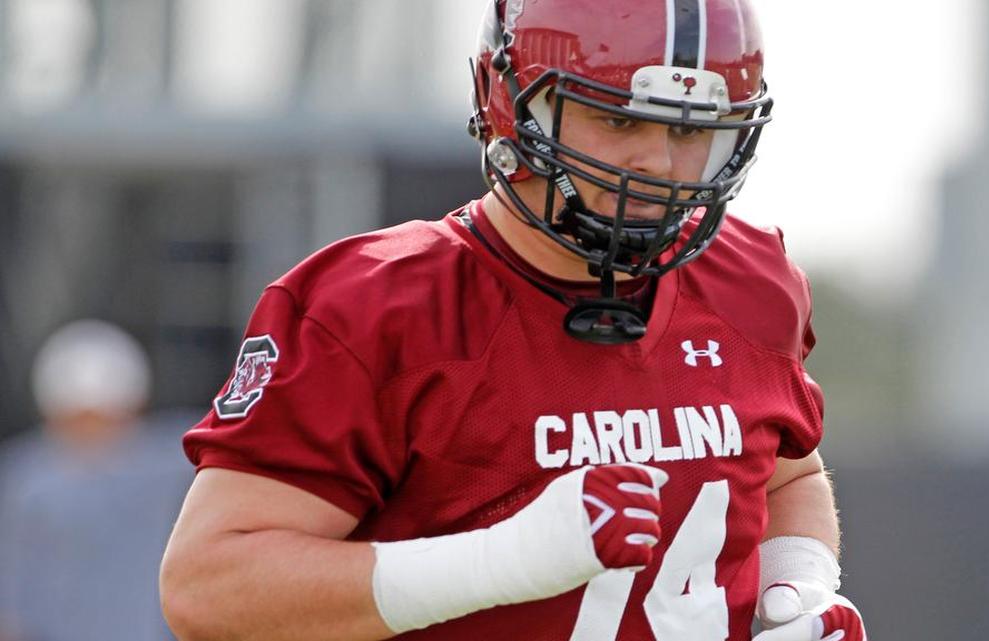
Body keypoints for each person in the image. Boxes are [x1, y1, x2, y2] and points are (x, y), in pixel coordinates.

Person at [160, 1, 868, 639]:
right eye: (619, 118)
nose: (658, 164)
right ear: (511, 101)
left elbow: (783, 477)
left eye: (691, 130)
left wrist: (794, 586)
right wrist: (504, 559)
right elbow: (208, 587)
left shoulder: (752, 279)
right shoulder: (378, 307)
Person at [0, 320, 191, 641]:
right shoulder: (26, 479)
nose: (92, 435)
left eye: (103, 419)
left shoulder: (172, 462)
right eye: (79, 421)